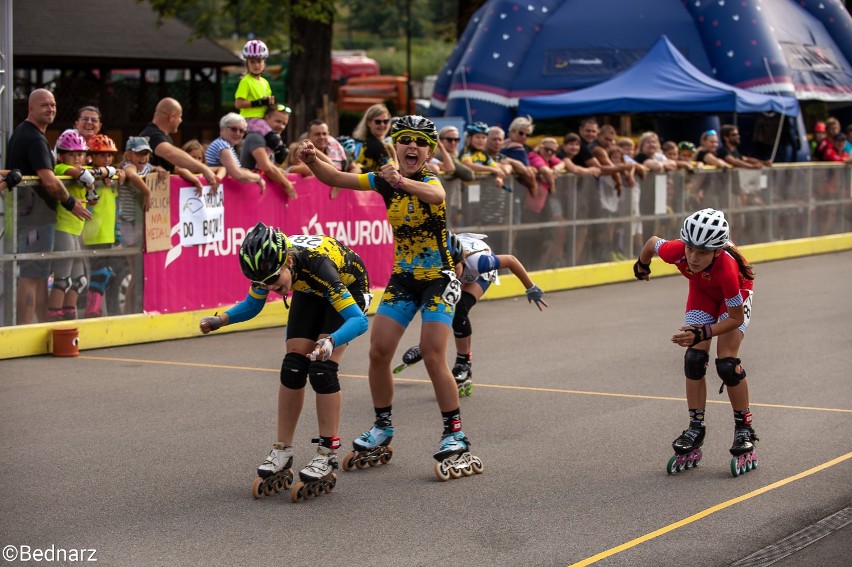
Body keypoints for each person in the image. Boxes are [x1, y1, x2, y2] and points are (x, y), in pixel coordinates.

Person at [297, 115, 483, 479]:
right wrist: (312, 159)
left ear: (428, 150)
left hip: (438, 279)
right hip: (403, 278)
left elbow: (437, 195)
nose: (411, 146)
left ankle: (454, 433)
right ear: (395, 146)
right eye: (405, 140)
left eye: (419, 142)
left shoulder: (428, 179)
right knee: (378, 352)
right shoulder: (384, 181)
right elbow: (336, 178)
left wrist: (402, 181)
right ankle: (382, 425)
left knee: (432, 354)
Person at [199, 223, 371, 500]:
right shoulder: (270, 267)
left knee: (321, 370)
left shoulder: (318, 265)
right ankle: (282, 449)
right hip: (309, 290)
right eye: (263, 282)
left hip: (346, 289)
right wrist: (221, 320)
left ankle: (327, 453)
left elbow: (358, 320)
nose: (270, 287)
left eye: (273, 279)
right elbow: (253, 305)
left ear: (288, 261)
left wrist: (331, 341)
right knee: (292, 368)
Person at [633, 208, 758, 476]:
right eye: (690, 249)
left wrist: (702, 333)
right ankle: (695, 426)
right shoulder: (676, 251)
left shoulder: (727, 267)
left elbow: (734, 319)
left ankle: (744, 427)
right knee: (694, 359)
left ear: (716, 251)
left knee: (726, 362)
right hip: (702, 291)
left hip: (733, 296)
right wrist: (642, 266)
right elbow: (652, 243)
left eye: (702, 253)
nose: (693, 257)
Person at [394, 231, 547, 397]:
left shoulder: (479, 262)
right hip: (452, 265)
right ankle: (425, 345)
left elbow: (511, 260)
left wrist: (530, 287)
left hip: (479, 275)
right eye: (449, 271)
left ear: (461, 261)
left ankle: (463, 363)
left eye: (456, 269)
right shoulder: (434, 266)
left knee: (459, 309)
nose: (454, 274)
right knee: (437, 305)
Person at [6, 89, 91, 324]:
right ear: (30, 108)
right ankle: (24, 328)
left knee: (40, 275)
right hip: (34, 218)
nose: (50, 109)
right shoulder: (32, 137)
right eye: (44, 105)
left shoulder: (31, 134)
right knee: (31, 276)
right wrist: (71, 202)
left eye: (53, 105)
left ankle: (39, 326)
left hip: (35, 217)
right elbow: (49, 179)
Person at [47, 130, 96, 321]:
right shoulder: (60, 169)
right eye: (72, 154)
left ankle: (69, 313)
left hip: (77, 230)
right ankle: (53, 317)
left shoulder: (85, 171)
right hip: (63, 228)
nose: (77, 158)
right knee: (63, 279)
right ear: (61, 155)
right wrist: (92, 183)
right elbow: (79, 174)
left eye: (80, 154)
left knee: (80, 280)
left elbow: (89, 177)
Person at [118, 137, 168, 314]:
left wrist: (159, 169)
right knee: (136, 272)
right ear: (128, 155)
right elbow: (131, 174)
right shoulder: (127, 167)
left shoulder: (147, 167)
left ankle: (135, 309)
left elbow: (154, 169)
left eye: (146, 153)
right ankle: (128, 311)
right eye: (139, 153)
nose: (143, 157)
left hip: (143, 225)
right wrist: (147, 191)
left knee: (141, 273)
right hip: (129, 224)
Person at [82, 134, 126, 317]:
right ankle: (92, 311)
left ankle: (96, 308)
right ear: (92, 156)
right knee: (98, 273)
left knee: (104, 273)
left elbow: (123, 172)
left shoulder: (113, 175)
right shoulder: (87, 174)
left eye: (109, 156)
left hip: (107, 233)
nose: (107, 159)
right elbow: (84, 172)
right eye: (102, 155)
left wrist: (113, 172)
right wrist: (108, 172)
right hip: (92, 232)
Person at [139, 97, 220, 193]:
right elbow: (170, 153)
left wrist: (194, 179)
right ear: (171, 117)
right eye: (180, 116)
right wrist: (203, 168)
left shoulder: (165, 138)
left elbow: (174, 168)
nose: (181, 120)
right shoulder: (152, 135)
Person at [240, 104, 297, 199]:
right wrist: (287, 184)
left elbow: (269, 168)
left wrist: (279, 172)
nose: (281, 126)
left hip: (259, 193)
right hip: (248, 193)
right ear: (266, 118)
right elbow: (266, 167)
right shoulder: (256, 137)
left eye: (284, 124)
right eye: (278, 121)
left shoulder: (273, 140)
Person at [205, 112, 266, 192]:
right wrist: (258, 178)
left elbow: (239, 171)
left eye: (242, 131)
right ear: (222, 129)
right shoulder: (222, 146)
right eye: (233, 129)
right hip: (215, 193)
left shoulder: (225, 145)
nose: (238, 133)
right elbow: (238, 175)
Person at [234, 39, 275, 123]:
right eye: (252, 62)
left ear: (264, 63)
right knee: (273, 136)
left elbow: (267, 101)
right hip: (249, 119)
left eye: (259, 61)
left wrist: (271, 101)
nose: (256, 65)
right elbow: (238, 104)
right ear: (247, 64)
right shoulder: (245, 81)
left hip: (263, 119)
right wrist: (259, 102)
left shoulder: (265, 82)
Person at [461, 121, 506, 188]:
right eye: (477, 137)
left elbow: (496, 167)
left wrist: (499, 177)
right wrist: (491, 169)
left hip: (480, 187)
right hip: (465, 188)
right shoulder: (466, 151)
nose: (481, 140)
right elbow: (469, 165)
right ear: (469, 138)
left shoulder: (484, 154)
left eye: (483, 138)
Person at [352, 104, 393, 172]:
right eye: (378, 122)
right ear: (368, 122)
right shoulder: (377, 146)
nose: (382, 125)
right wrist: (394, 154)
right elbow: (392, 172)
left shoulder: (358, 141)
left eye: (386, 121)